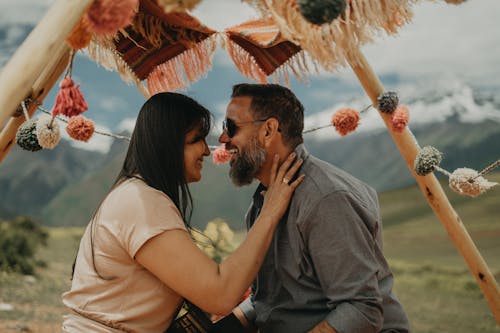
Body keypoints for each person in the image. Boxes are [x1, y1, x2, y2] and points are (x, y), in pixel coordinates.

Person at [61, 92, 304, 333]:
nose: (207, 151)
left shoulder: (135, 194)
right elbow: (219, 294)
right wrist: (270, 212)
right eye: (197, 139)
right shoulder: (141, 202)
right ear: (168, 144)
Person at [218, 83, 410, 333]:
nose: (223, 139)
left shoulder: (326, 200)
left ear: (268, 131)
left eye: (230, 127)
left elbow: (360, 310)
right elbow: (267, 301)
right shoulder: (263, 204)